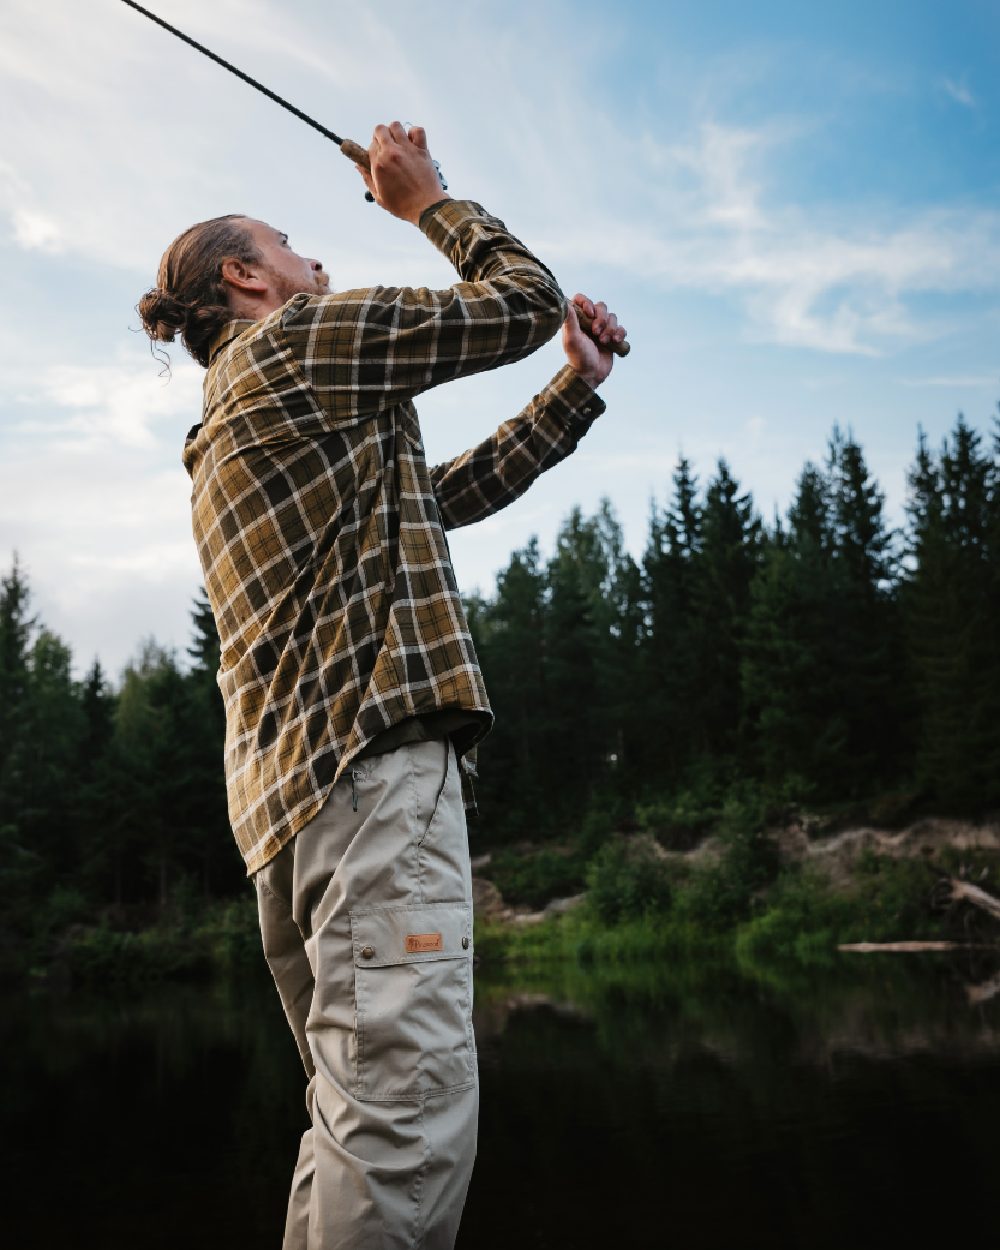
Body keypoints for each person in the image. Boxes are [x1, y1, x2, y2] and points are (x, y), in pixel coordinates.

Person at [137, 121, 626, 1250]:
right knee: (399, 1132)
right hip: (369, 790)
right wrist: (426, 201)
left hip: (298, 824)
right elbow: (516, 297)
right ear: (245, 278)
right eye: (291, 245)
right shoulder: (297, 345)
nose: (315, 259)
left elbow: (435, 496)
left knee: (353, 1132)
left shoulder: (234, 420)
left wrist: (574, 389)